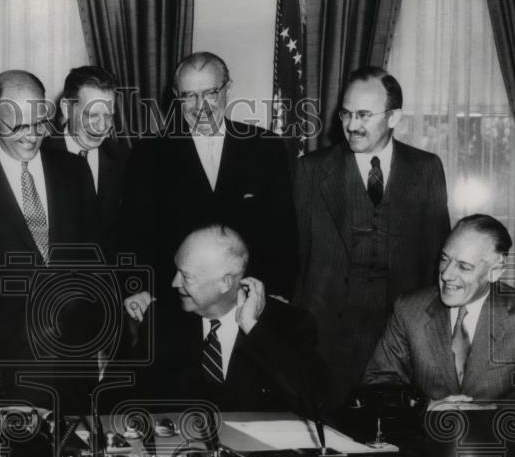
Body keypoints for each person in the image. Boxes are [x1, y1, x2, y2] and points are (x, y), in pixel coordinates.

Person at [292, 65, 451, 409]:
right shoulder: (310, 170)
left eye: (364, 115)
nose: (351, 125)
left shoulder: (426, 169)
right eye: (346, 114)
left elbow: (436, 259)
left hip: (400, 346)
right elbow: (296, 257)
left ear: (393, 117)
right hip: (326, 345)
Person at [0, 70, 100, 404]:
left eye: (40, 121)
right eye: (17, 123)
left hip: (75, 355)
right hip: (3, 358)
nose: (32, 135)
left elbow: (94, 257)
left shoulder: (74, 171)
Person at [122, 51, 297, 309]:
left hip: (248, 300)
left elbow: (283, 230)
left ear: (229, 89)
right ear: (176, 96)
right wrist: (137, 287)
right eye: (189, 95)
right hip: (174, 301)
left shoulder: (266, 147)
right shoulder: (149, 152)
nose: (200, 105)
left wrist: (279, 290)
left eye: (210, 93)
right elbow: (134, 231)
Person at [119, 225, 325, 413]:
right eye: (176, 271)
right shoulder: (162, 319)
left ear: (225, 282)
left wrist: (253, 328)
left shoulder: (288, 323)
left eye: (186, 276)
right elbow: (125, 400)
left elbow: (315, 400)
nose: (174, 283)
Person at [364, 215, 515, 408]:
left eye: (464, 267)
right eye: (444, 259)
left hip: (500, 437)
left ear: (495, 272)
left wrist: (487, 414)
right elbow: (377, 383)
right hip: (426, 436)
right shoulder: (408, 309)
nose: (446, 275)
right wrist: (425, 407)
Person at [42, 65, 129, 261]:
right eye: (91, 115)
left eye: (108, 116)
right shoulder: (40, 156)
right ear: (66, 108)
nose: (101, 127)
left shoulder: (124, 158)